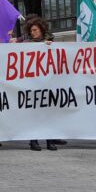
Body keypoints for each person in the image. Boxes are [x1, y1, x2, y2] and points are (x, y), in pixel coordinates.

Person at [22, 17, 58, 152]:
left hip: (48, 82)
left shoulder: (51, 43)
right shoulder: (26, 43)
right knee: (34, 113)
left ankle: (50, 140)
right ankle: (34, 141)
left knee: (48, 113)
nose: (33, 33)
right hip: (33, 83)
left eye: (35, 30)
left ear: (42, 30)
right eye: (31, 31)